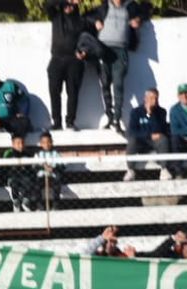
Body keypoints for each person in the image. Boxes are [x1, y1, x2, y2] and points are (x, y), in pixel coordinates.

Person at [91, 0, 142, 133]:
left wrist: (137, 20)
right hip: (104, 49)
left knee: (118, 84)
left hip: (121, 50)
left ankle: (117, 119)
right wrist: (96, 21)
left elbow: (144, 13)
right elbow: (87, 16)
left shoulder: (130, 6)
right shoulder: (104, 6)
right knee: (105, 83)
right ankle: (109, 115)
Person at [46, 0, 88, 131]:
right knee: (54, 91)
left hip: (74, 60)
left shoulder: (81, 21)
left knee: (73, 92)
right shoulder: (56, 16)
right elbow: (48, 4)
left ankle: (70, 121)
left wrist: (85, 52)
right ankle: (56, 122)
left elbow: (88, 39)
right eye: (67, 5)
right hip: (57, 58)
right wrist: (67, 0)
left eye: (71, 5)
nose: (69, 7)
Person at [124, 88, 171, 181]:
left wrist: (151, 114)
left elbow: (160, 130)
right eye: (152, 98)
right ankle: (130, 170)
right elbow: (132, 131)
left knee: (163, 139)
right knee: (132, 140)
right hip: (141, 141)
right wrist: (148, 135)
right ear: (145, 98)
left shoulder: (161, 112)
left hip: (154, 142)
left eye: (156, 98)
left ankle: (164, 169)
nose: (154, 101)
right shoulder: (136, 112)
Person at [2, 132, 38, 212]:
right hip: (12, 176)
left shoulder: (27, 154)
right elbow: (3, 167)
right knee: (14, 182)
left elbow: (30, 168)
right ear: (13, 144)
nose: (20, 145)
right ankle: (16, 202)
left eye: (22, 143)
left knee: (28, 180)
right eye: (18, 143)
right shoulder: (9, 153)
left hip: (25, 176)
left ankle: (25, 202)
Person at [34, 131, 64, 207]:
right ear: (40, 143)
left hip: (52, 176)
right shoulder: (37, 154)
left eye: (48, 142)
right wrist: (43, 167)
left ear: (52, 142)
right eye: (44, 142)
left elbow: (62, 166)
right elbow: (34, 166)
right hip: (41, 177)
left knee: (57, 185)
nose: (46, 144)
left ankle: (56, 205)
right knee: (36, 186)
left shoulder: (56, 153)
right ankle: (39, 205)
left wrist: (52, 169)